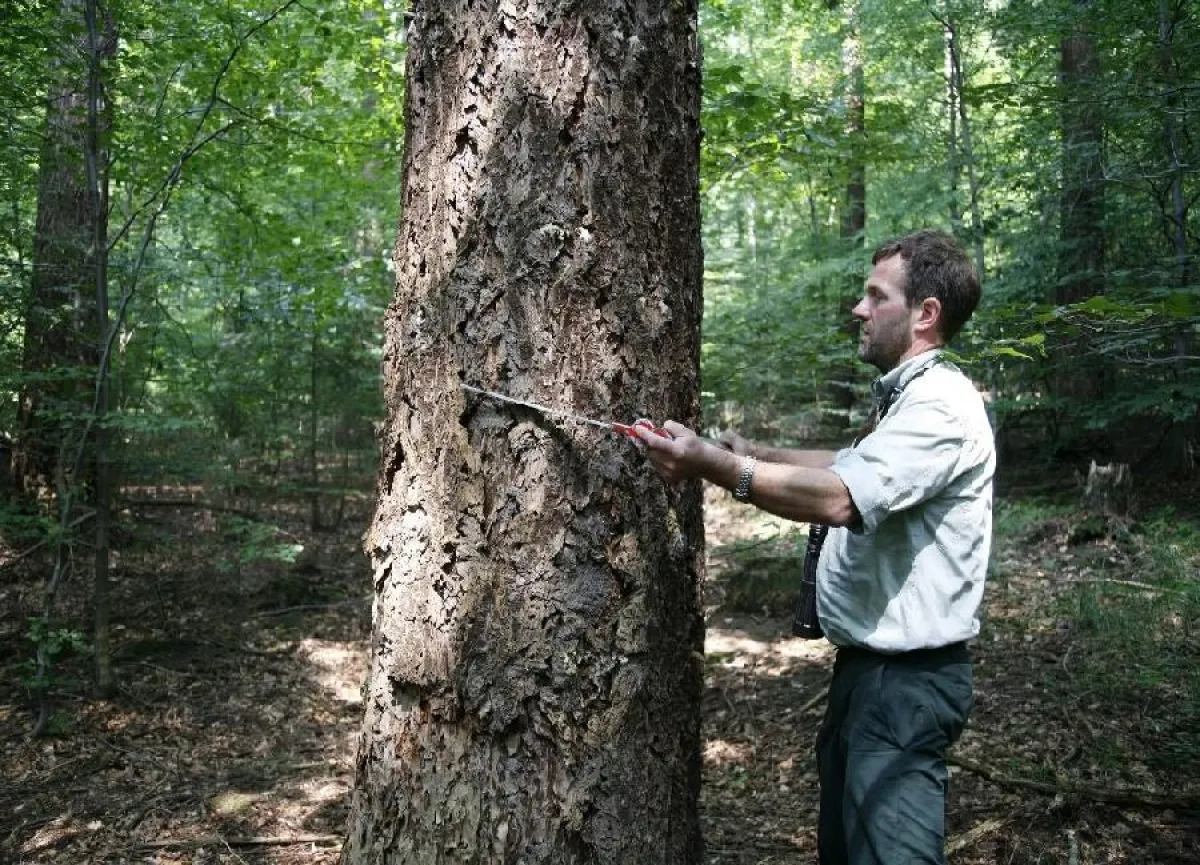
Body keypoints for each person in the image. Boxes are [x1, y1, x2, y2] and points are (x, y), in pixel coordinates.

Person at [634, 229, 995, 865]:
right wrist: (752, 453)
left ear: (925, 315)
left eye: (875, 297)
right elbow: (851, 462)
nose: (859, 309)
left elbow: (840, 496)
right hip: (871, 678)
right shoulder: (910, 398)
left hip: (905, 688)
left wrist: (712, 467)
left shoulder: (941, 405)